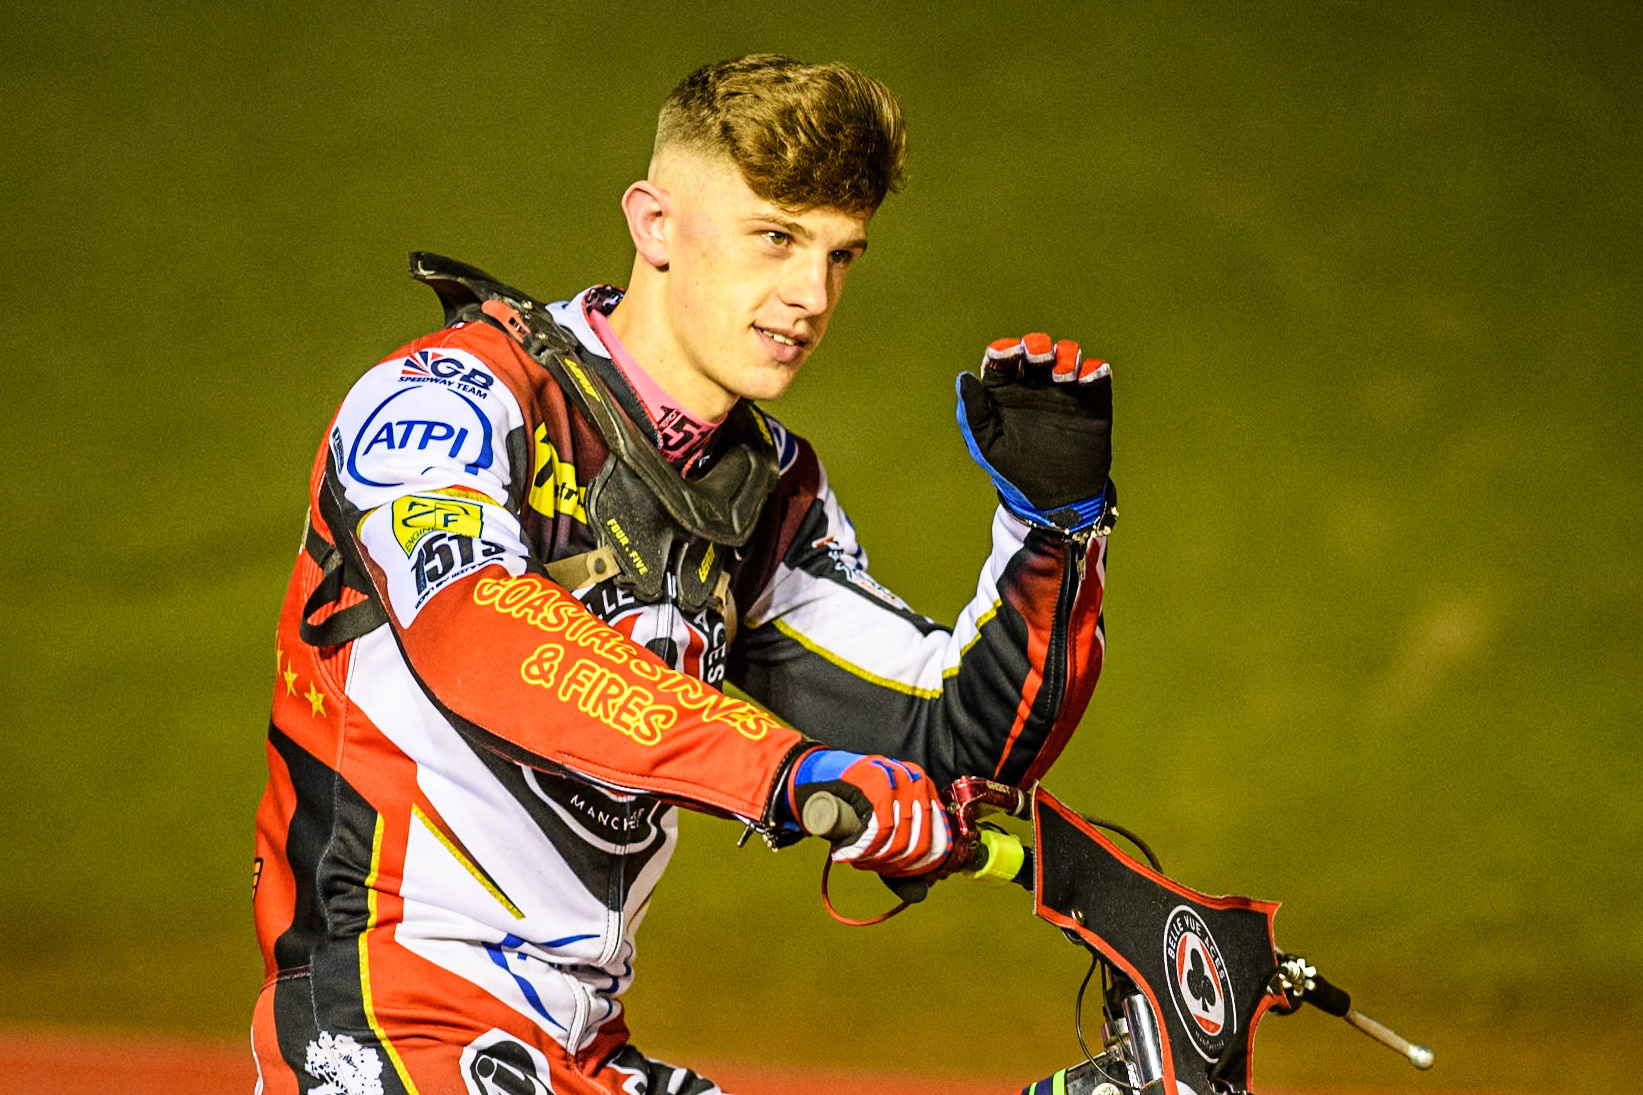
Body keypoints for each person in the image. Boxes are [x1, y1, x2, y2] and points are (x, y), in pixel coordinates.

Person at [250, 54, 1116, 1095]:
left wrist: (1050, 536)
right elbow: (478, 630)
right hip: (393, 1025)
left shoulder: (763, 493)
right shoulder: (450, 400)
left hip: (580, 1048)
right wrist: (778, 772)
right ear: (654, 224)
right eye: (775, 238)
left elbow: (946, 750)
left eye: (841, 257)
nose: (808, 296)